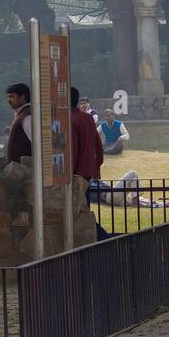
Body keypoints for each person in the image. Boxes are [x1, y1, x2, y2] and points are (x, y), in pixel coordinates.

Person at [69, 87, 109, 238]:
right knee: (84, 209)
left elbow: (72, 150)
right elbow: (98, 144)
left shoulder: (68, 120)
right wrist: (97, 166)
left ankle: (103, 238)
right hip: (86, 173)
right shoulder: (87, 118)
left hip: (73, 174)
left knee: (78, 212)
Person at [4, 83, 32, 164]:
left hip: (24, 170)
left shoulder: (27, 116)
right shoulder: (23, 114)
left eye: (12, 96)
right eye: (8, 97)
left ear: (22, 97)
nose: (9, 100)